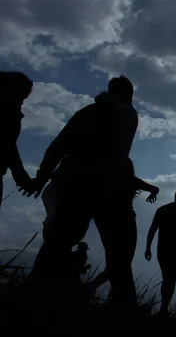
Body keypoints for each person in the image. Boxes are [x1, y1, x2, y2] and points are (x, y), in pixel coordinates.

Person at [25, 75, 140, 312]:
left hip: (72, 182)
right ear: (129, 94)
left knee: (58, 243)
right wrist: (119, 187)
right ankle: (124, 307)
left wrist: (42, 176)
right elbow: (119, 153)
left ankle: (35, 297)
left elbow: (58, 145)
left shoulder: (87, 112)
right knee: (118, 252)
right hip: (103, 187)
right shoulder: (127, 112)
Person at [1, 71, 34, 210]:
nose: (21, 102)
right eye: (21, 97)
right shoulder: (9, 112)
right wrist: (21, 176)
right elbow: (6, 144)